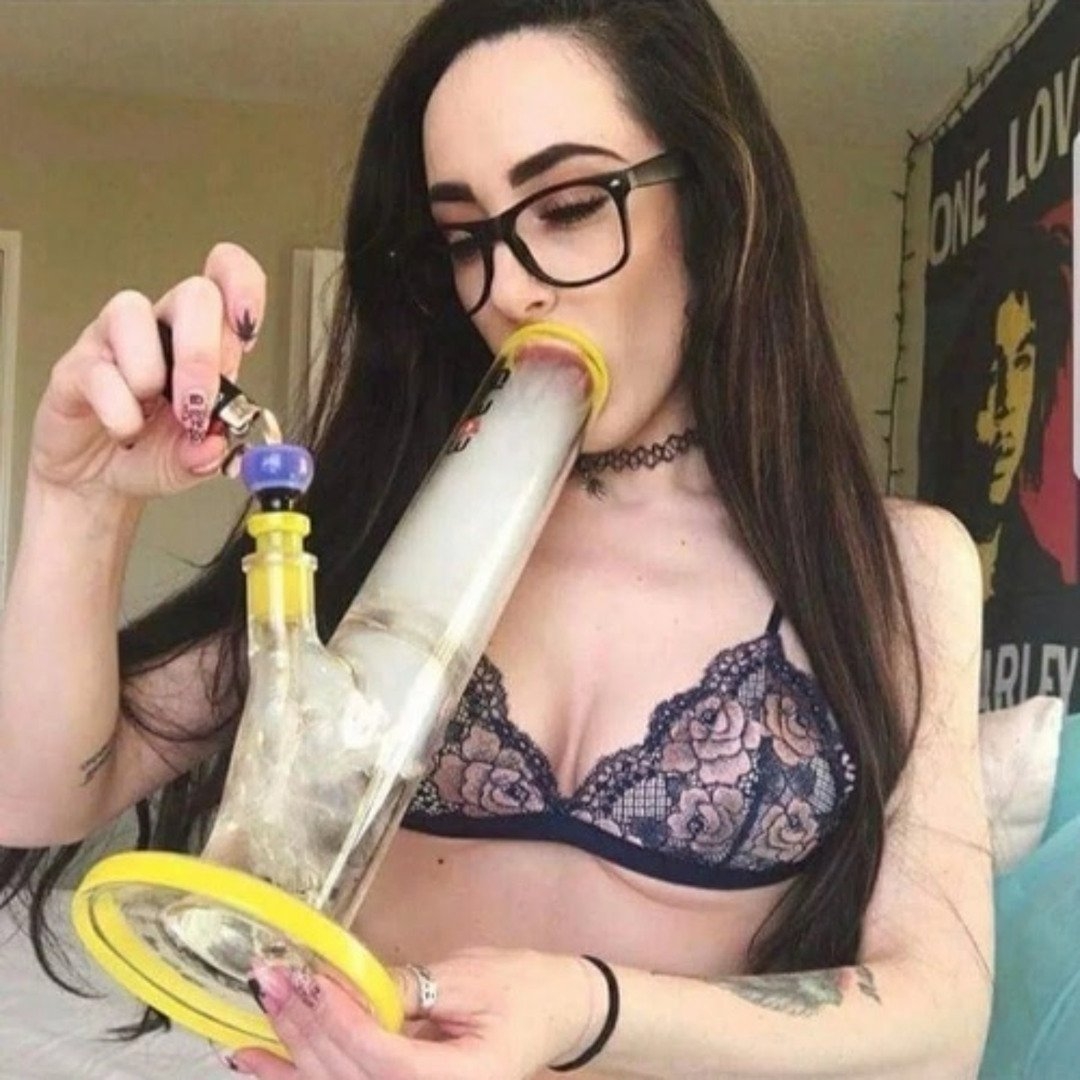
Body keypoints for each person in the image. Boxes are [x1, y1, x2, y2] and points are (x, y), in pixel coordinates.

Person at [0, 1, 992, 1077]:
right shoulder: (385, 531)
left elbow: (941, 1016)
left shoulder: (892, 570)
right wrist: (77, 494)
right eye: (465, 238)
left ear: (716, 202)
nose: (508, 288)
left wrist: (585, 1010)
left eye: (567, 206)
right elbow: (41, 795)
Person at [930, 219, 1071, 603]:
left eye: (1022, 362)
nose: (1006, 404)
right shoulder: (917, 564)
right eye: (990, 369)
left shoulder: (1044, 584)